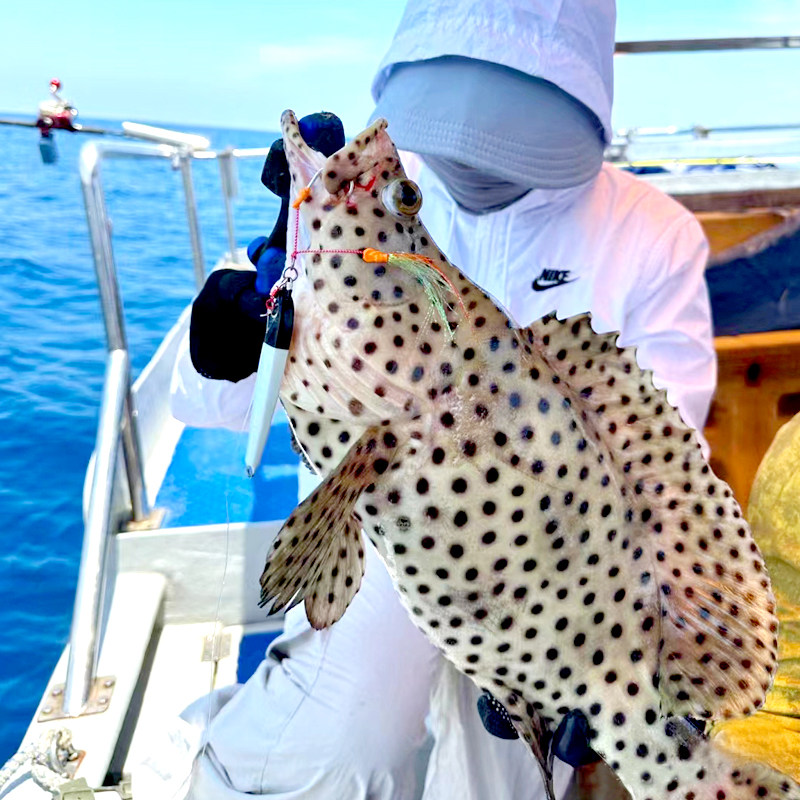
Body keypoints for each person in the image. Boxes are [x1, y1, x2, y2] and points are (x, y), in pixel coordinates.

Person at [166, 0, 716, 798]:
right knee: (336, 737)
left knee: (510, 775)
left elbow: (662, 459)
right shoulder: (361, 208)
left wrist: (648, 628)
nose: (472, 157)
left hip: (544, 567)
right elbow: (213, 408)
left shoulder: (651, 235)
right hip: (376, 535)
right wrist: (222, 349)